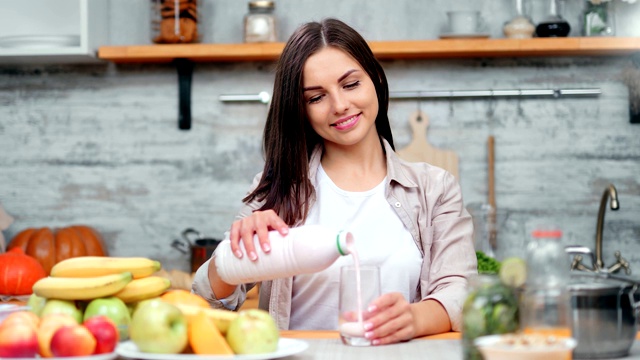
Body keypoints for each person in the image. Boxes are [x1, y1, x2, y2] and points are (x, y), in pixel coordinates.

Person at [193, 18, 477, 345]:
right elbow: (206, 301)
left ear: (376, 80)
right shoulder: (278, 190)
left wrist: (414, 318)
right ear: (301, 110)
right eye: (316, 97)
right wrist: (235, 256)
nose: (340, 105)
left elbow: (460, 290)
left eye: (351, 84)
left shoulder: (434, 188)